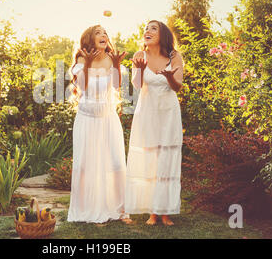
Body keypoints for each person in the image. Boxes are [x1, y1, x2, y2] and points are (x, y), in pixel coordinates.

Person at [67, 24, 129, 224]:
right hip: (87, 119)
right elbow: (83, 87)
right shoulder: (81, 59)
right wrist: (87, 65)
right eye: (98, 32)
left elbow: (117, 86)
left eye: (105, 32)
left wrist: (117, 65)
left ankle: (120, 209)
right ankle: (84, 208)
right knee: (84, 165)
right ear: (90, 39)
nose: (104, 35)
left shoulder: (111, 59)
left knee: (117, 163)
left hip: (108, 118)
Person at [125, 20, 184, 226]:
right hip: (147, 112)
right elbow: (137, 85)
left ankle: (165, 211)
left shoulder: (174, 56)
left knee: (166, 160)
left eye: (153, 28)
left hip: (168, 113)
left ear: (163, 35)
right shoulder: (139, 56)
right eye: (145, 29)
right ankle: (152, 211)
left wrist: (169, 78)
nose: (147, 31)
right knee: (150, 159)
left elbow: (177, 87)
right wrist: (139, 70)